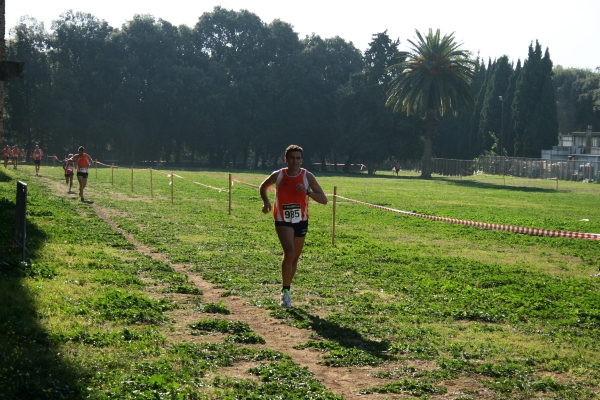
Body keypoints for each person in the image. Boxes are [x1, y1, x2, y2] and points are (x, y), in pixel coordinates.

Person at [259, 144, 327, 308]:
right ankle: (286, 292)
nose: (295, 161)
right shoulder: (279, 175)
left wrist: (307, 192)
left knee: (294, 257)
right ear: (286, 159)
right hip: (282, 219)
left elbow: (324, 199)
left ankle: (287, 287)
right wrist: (267, 202)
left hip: (301, 220)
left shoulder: (307, 176)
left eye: (298, 158)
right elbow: (263, 186)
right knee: (289, 252)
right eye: (292, 158)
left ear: (302, 160)